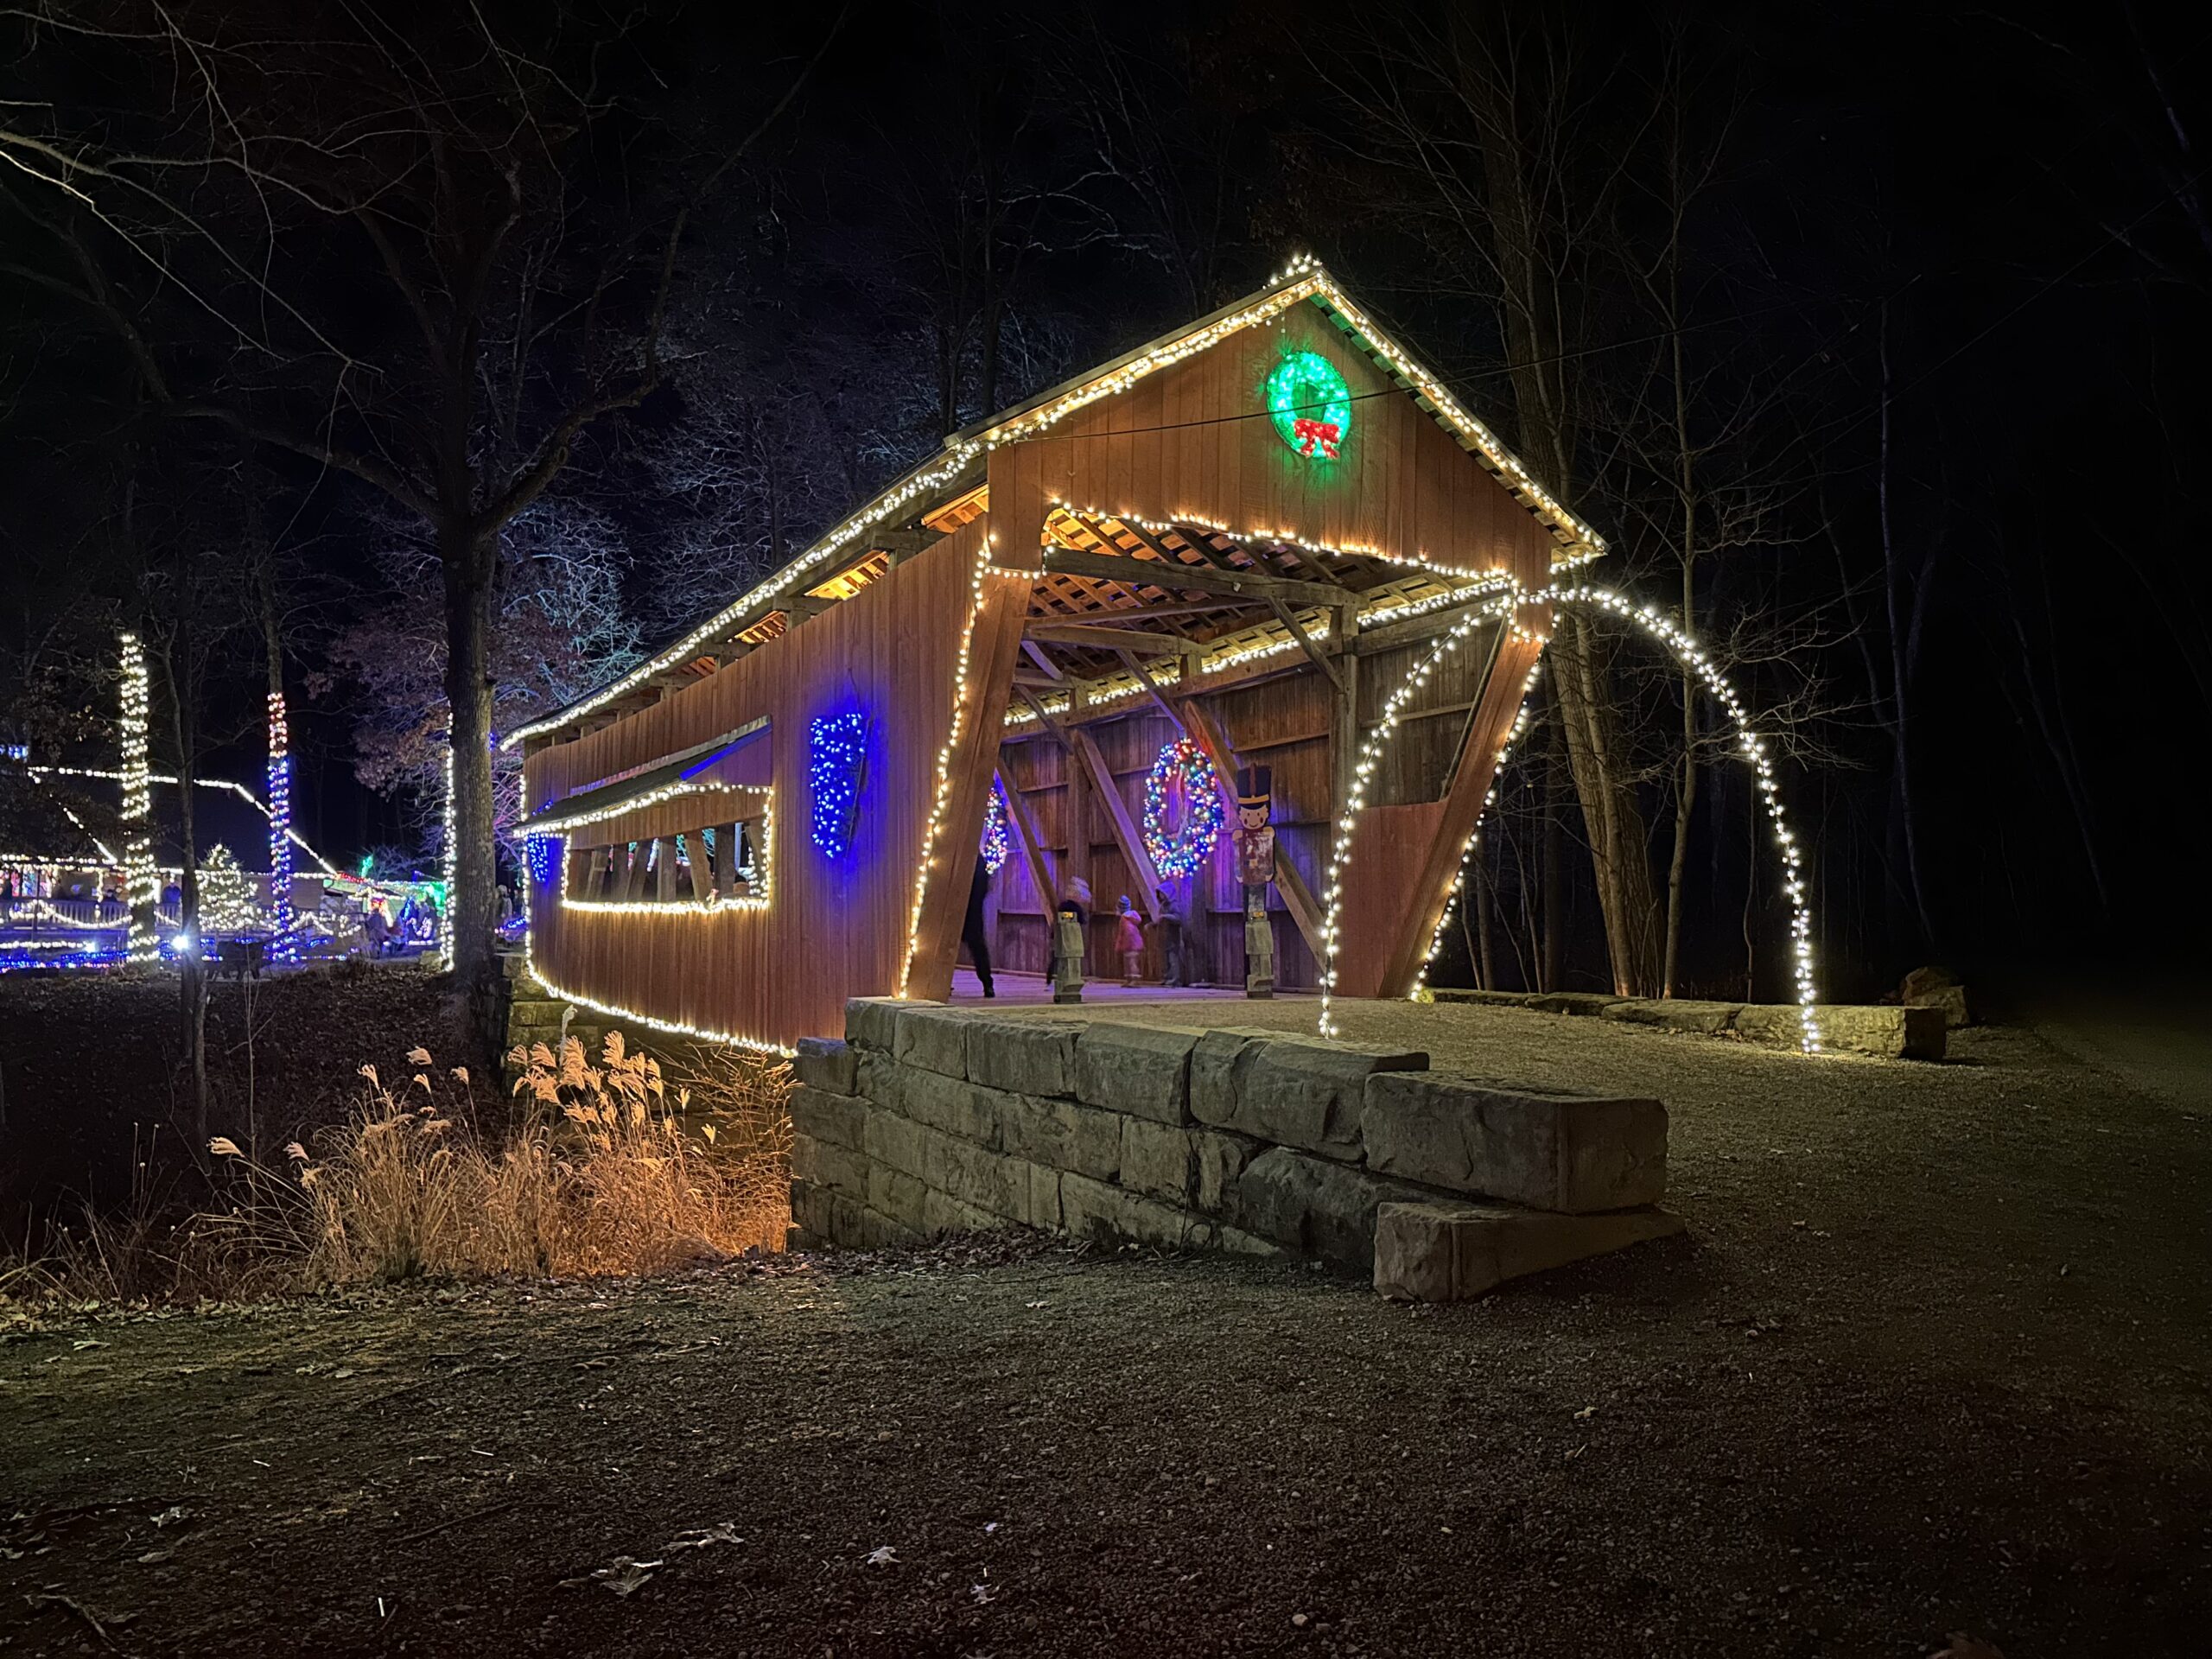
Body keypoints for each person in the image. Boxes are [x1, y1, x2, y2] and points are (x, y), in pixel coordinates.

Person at [961, 855, 996, 998]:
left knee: (942, 947)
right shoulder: (978, 860)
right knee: (978, 948)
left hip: (959, 909)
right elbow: (985, 887)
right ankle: (987, 984)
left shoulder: (960, 857)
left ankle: (987, 983)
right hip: (973, 910)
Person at [1154, 884, 1185, 987]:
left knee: (1173, 959)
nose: (1160, 895)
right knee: (1165, 960)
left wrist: (1165, 916)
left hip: (1172, 936)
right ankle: (1166, 977)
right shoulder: (1163, 906)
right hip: (1164, 936)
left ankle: (1175, 978)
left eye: (1162, 893)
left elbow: (1178, 919)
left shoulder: (1174, 905)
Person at [1115, 895, 1144, 986]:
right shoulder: (1129, 918)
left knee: (1131, 962)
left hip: (1130, 944)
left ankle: (1134, 979)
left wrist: (1120, 944)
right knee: (1128, 962)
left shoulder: (1124, 920)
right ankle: (1129, 979)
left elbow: (1125, 933)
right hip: (1132, 943)